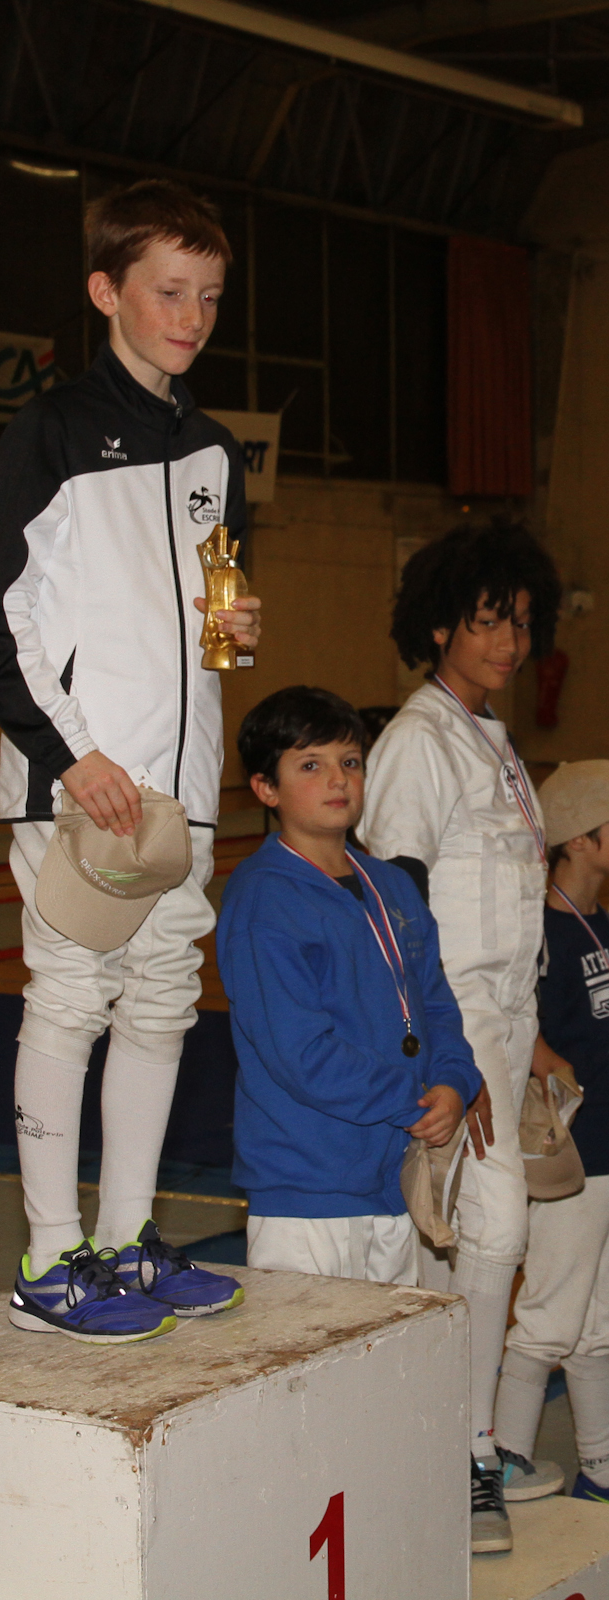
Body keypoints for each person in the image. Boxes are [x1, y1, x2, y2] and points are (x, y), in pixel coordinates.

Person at [0, 178, 260, 1341]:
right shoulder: (46, 434)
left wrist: (233, 632)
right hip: (82, 782)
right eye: (167, 292)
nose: (190, 318)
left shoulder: (216, 452)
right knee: (71, 996)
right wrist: (71, 756)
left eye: (209, 297)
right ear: (105, 291)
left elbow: (211, 621)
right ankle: (49, 1259)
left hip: (179, 794)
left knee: (161, 1003)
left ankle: (128, 1241)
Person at [361, 520, 563, 1552]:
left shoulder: (494, 742)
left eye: (520, 622)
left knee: (459, 1246)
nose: (507, 642)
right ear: (439, 625)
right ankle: (467, 1455)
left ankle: (444, 1440)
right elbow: (390, 912)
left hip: (506, 1024)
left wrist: (529, 1043)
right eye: (488, 621)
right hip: (452, 1029)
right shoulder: (417, 741)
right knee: (492, 1233)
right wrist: (442, 1054)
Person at [218, 685, 479, 1293]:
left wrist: (455, 1082)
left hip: (396, 1178)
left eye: (350, 761)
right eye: (311, 765)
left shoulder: (393, 885)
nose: (338, 779)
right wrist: (413, 1102)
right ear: (266, 788)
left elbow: (437, 1004)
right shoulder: (265, 897)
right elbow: (299, 1051)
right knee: (305, 1352)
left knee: (392, 1350)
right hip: (307, 1188)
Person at [494, 761, 609, 1503]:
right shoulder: (538, 930)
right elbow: (511, 1020)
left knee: (595, 1321)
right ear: (581, 839)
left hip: (607, 1148)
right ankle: (502, 1460)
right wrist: (549, 1064)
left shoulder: (599, 923)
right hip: (574, 1152)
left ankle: (599, 1465)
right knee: (547, 1316)